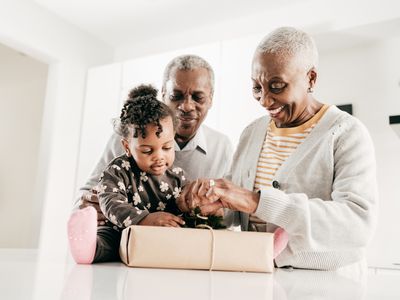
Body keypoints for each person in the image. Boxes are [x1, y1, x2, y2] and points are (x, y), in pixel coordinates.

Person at [178, 27, 378, 271]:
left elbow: (357, 224)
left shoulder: (347, 133)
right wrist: (213, 206)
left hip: (328, 283)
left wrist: (257, 201)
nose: (264, 100)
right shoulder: (252, 133)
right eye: (256, 87)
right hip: (258, 274)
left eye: (277, 86)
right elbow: (237, 208)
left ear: (311, 78)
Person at [75, 54, 233, 225]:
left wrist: (212, 209)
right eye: (176, 95)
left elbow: (229, 218)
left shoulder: (221, 147)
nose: (187, 106)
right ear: (163, 94)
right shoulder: (129, 135)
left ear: (211, 98)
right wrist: (87, 207)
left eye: (198, 97)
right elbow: (83, 201)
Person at [68, 84, 188, 264]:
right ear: (127, 147)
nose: (159, 157)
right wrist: (144, 219)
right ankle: (87, 247)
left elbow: (184, 208)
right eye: (147, 151)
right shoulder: (118, 170)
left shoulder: (178, 177)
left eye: (167, 147)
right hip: (119, 232)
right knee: (107, 240)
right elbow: (109, 201)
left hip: (158, 242)